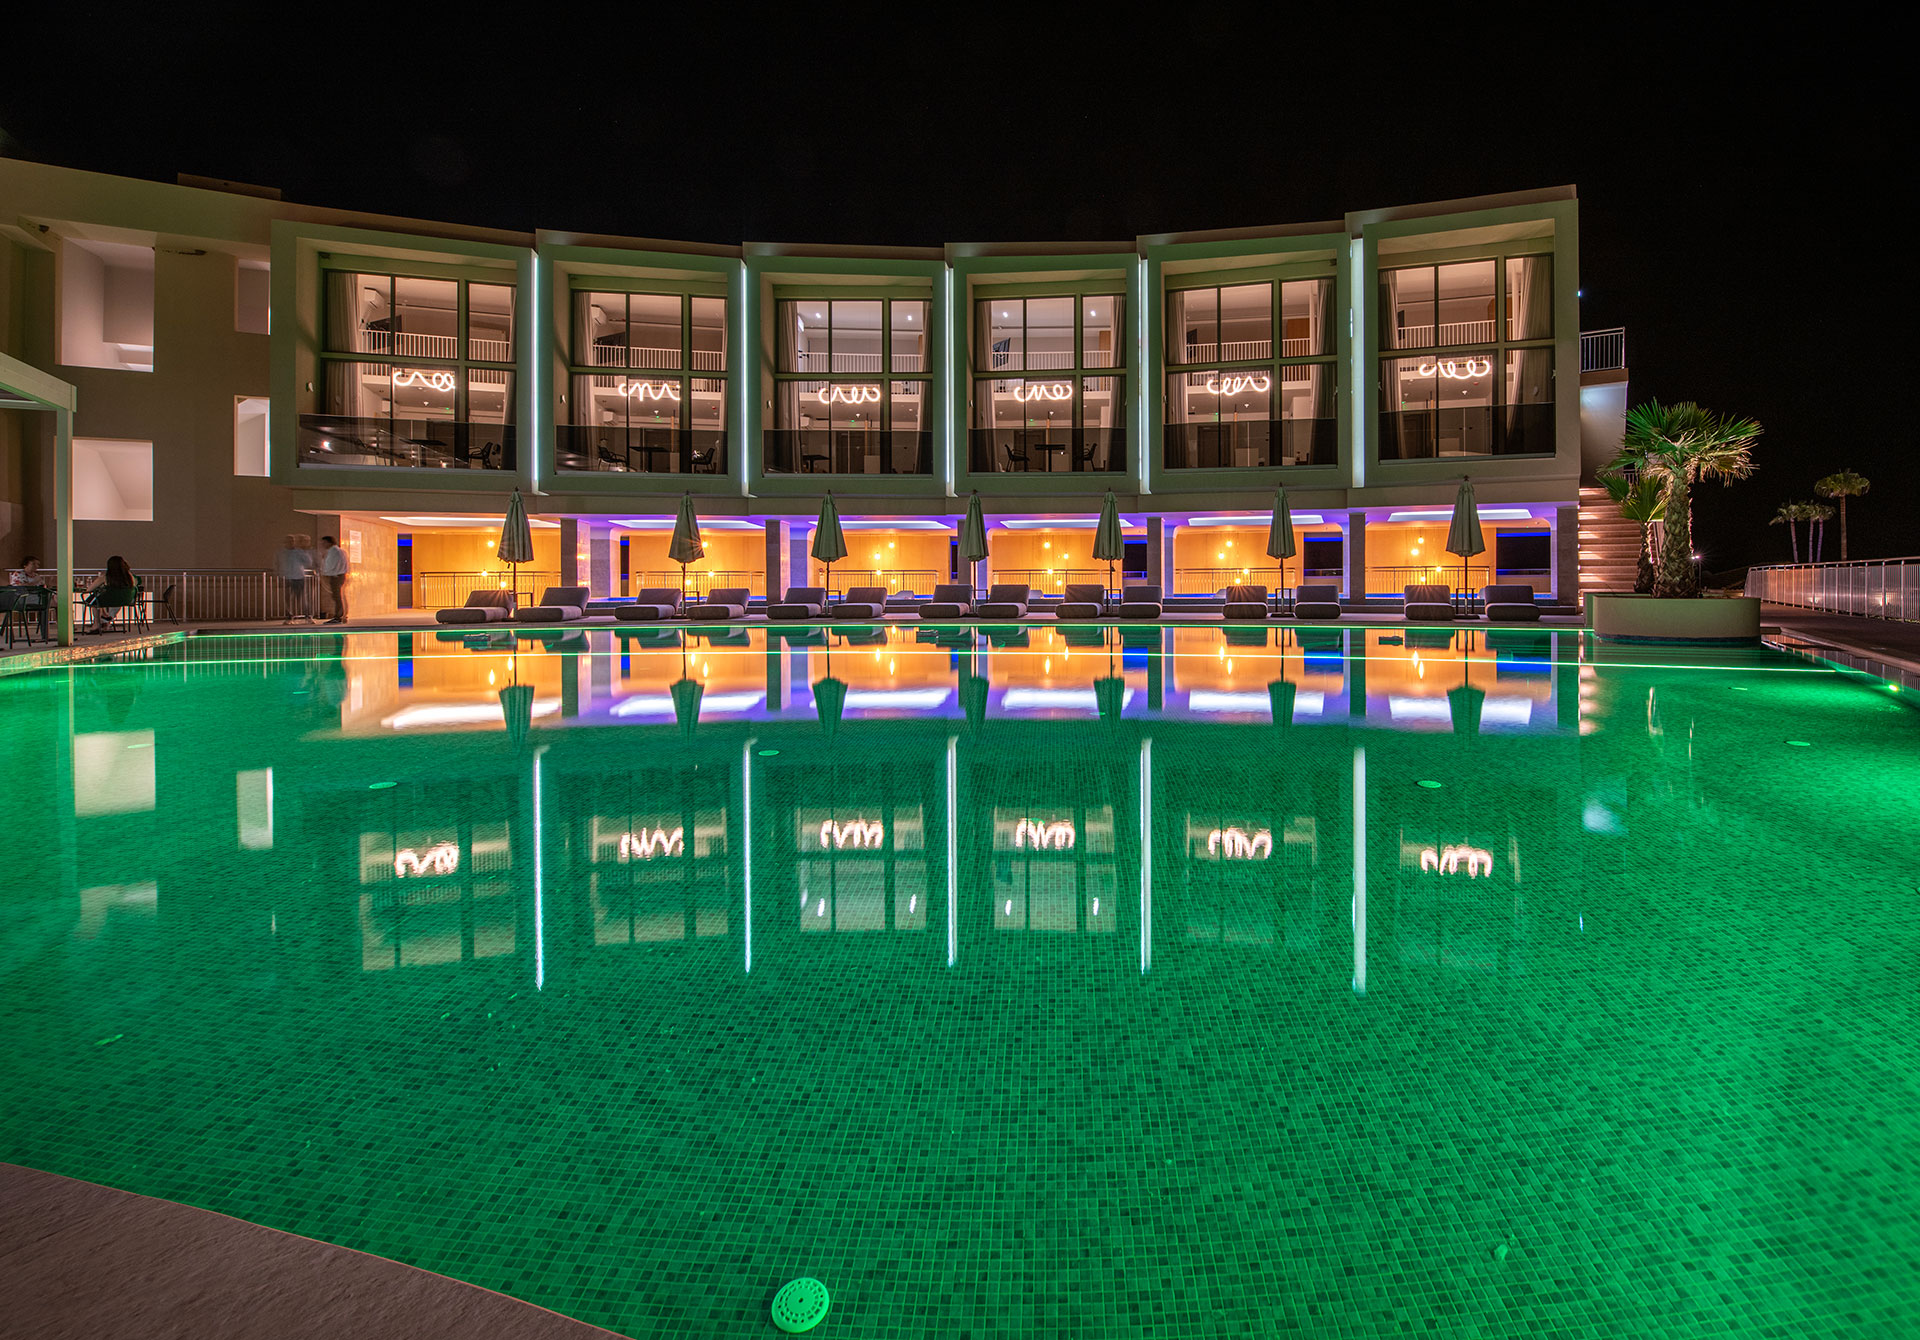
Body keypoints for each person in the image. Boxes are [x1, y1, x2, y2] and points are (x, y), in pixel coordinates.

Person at [82, 555, 138, 632]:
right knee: (105, 599)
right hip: (126, 600)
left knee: (95, 601)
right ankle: (106, 617)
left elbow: (89, 589)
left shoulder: (105, 577)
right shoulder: (130, 577)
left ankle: (97, 623)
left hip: (108, 600)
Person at [277, 535, 313, 624]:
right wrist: (279, 574)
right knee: (288, 598)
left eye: (292, 541)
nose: (291, 543)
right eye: (289, 541)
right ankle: (289, 617)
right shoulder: (281, 553)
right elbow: (277, 563)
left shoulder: (299, 552)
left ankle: (307, 616)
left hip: (298, 577)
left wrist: (303, 553)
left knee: (302, 598)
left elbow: (308, 562)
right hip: (287, 577)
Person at [317, 535, 349, 624]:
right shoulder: (341, 551)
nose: (322, 545)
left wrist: (323, 573)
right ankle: (341, 615)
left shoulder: (333, 552)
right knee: (338, 596)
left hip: (335, 576)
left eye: (324, 543)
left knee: (336, 596)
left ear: (329, 543)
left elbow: (330, 565)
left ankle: (338, 616)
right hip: (340, 575)